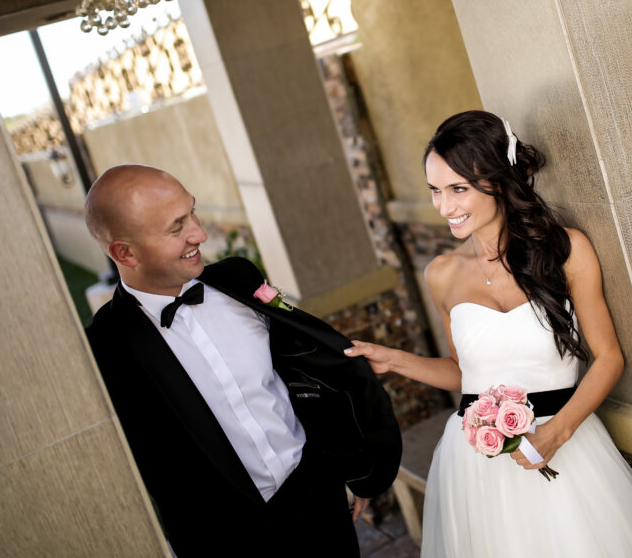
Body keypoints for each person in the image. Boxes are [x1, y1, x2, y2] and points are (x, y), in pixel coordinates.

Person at [345, 111, 632, 556]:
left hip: (568, 450)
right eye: (435, 191)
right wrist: (395, 360)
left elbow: (609, 358)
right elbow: (465, 375)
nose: (444, 207)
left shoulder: (566, 251)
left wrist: (555, 434)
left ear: (499, 182)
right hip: (475, 470)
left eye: (458, 189)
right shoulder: (441, 275)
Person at [84, 164, 401, 556]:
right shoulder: (105, 347)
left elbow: (311, 371)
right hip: (227, 540)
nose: (199, 233)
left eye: (192, 213)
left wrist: (353, 466)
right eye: (176, 227)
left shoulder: (238, 280)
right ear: (124, 252)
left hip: (319, 501)